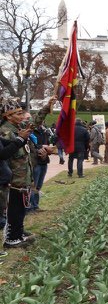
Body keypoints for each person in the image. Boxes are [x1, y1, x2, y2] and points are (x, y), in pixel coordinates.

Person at [1, 99, 55, 248]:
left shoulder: (19, 127)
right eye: (18, 113)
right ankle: (12, 239)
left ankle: (19, 232)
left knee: (22, 207)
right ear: (8, 116)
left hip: (24, 175)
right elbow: (6, 154)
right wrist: (20, 139)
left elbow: (35, 121)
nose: (22, 115)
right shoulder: (6, 131)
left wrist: (47, 106)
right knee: (14, 209)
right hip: (14, 177)